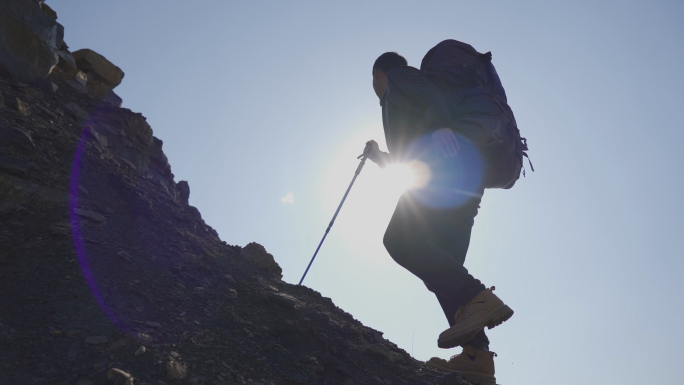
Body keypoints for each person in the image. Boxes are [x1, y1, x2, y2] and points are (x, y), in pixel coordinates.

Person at [367, 51, 514, 383]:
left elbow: (431, 101)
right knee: (444, 274)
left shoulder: (399, 77)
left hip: (442, 171)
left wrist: (441, 126)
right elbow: (410, 158)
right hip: (464, 177)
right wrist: (380, 158)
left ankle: (480, 299)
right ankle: (477, 359)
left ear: (379, 74)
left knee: (399, 240)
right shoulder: (406, 100)